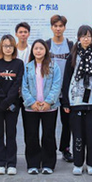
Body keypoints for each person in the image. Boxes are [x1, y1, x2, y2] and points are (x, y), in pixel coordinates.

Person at [61, 25, 92, 175]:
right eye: (83, 36)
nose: (86, 39)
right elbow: (67, 79)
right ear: (78, 38)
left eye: (88, 36)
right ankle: (78, 163)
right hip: (76, 101)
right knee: (78, 135)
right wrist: (66, 102)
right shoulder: (73, 56)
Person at [22, 39, 62, 174]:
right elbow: (24, 86)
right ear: (32, 51)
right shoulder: (27, 67)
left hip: (49, 108)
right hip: (31, 108)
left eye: (41, 48)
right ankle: (33, 164)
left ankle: (48, 164)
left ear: (46, 50)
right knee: (31, 135)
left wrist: (48, 102)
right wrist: (31, 102)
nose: (38, 51)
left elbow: (57, 85)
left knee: (48, 135)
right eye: (36, 48)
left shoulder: (53, 66)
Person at [0, 35, 24, 175]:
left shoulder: (19, 64)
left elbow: (17, 83)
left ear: (14, 47)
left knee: (11, 133)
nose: (8, 49)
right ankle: (0, 163)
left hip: (12, 104)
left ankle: (11, 163)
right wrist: (3, 100)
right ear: (1, 47)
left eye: (10, 46)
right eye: (5, 46)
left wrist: (8, 101)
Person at [46, 14, 74, 163]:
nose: (58, 29)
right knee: (49, 123)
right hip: (49, 91)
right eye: (55, 26)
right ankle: (49, 149)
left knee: (67, 123)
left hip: (66, 90)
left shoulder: (70, 45)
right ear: (51, 27)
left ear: (64, 27)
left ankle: (65, 148)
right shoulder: (46, 45)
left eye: (60, 26)